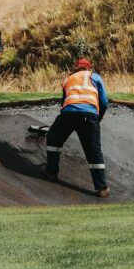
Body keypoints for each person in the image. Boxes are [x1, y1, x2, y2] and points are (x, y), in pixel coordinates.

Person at [44, 58, 111, 198]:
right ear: (88, 68)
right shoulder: (95, 76)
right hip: (89, 116)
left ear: (76, 68)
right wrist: (98, 118)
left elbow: (63, 103)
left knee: (53, 139)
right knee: (93, 151)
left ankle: (51, 173)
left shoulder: (68, 79)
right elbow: (104, 102)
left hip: (68, 114)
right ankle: (102, 188)